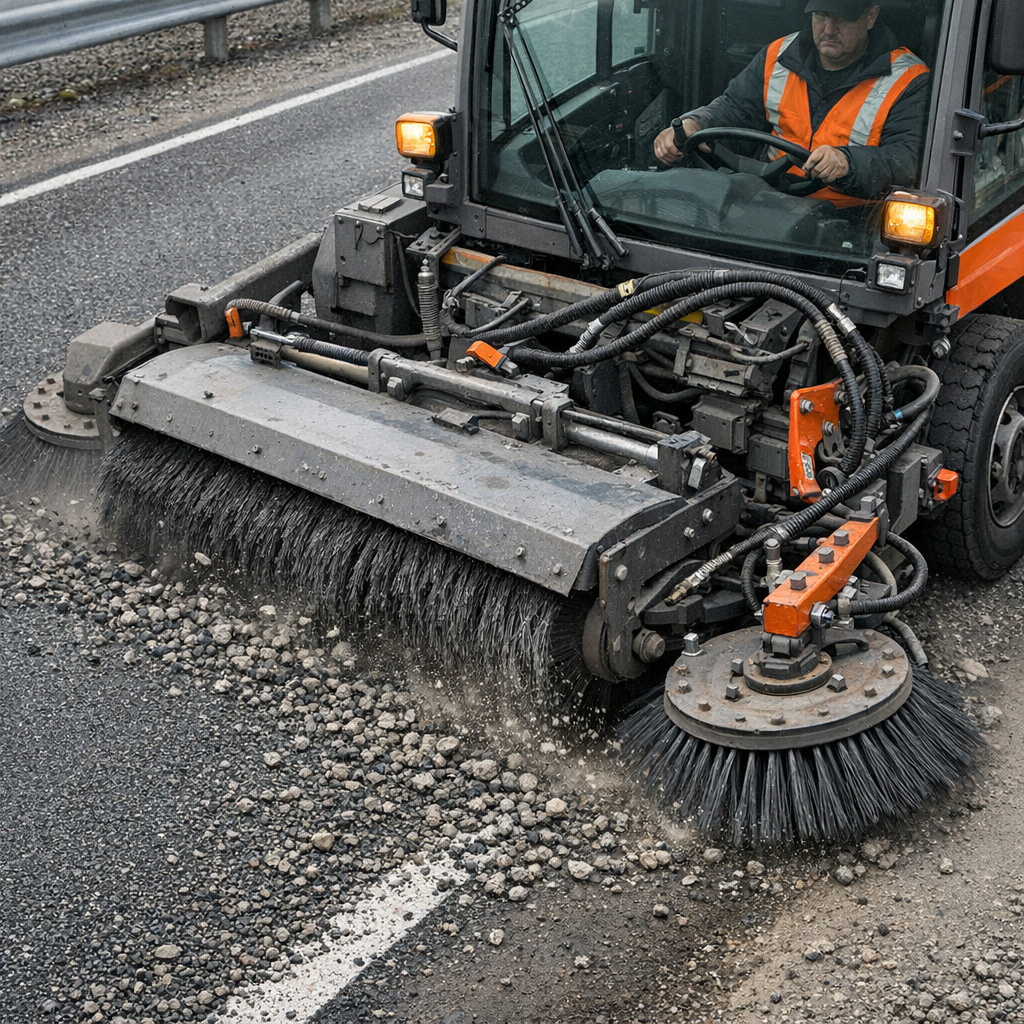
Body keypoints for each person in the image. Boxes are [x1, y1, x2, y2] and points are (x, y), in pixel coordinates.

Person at [653, 1, 929, 206]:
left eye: (842, 19)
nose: (829, 29)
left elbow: (907, 161)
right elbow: (734, 108)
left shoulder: (908, 78)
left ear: (871, 16)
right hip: (769, 201)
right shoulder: (777, 55)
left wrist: (848, 162)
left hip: (851, 218)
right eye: (821, 16)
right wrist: (695, 123)